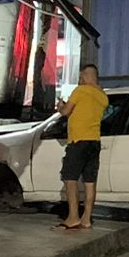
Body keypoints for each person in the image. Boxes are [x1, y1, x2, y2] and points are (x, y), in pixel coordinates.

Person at [55, 65, 109, 231]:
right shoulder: (103, 96)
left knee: (70, 179)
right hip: (94, 141)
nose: (79, 80)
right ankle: (86, 218)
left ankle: (73, 217)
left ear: (86, 76)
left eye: (80, 77)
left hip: (78, 141)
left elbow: (66, 112)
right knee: (90, 182)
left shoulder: (80, 91)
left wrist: (60, 106)